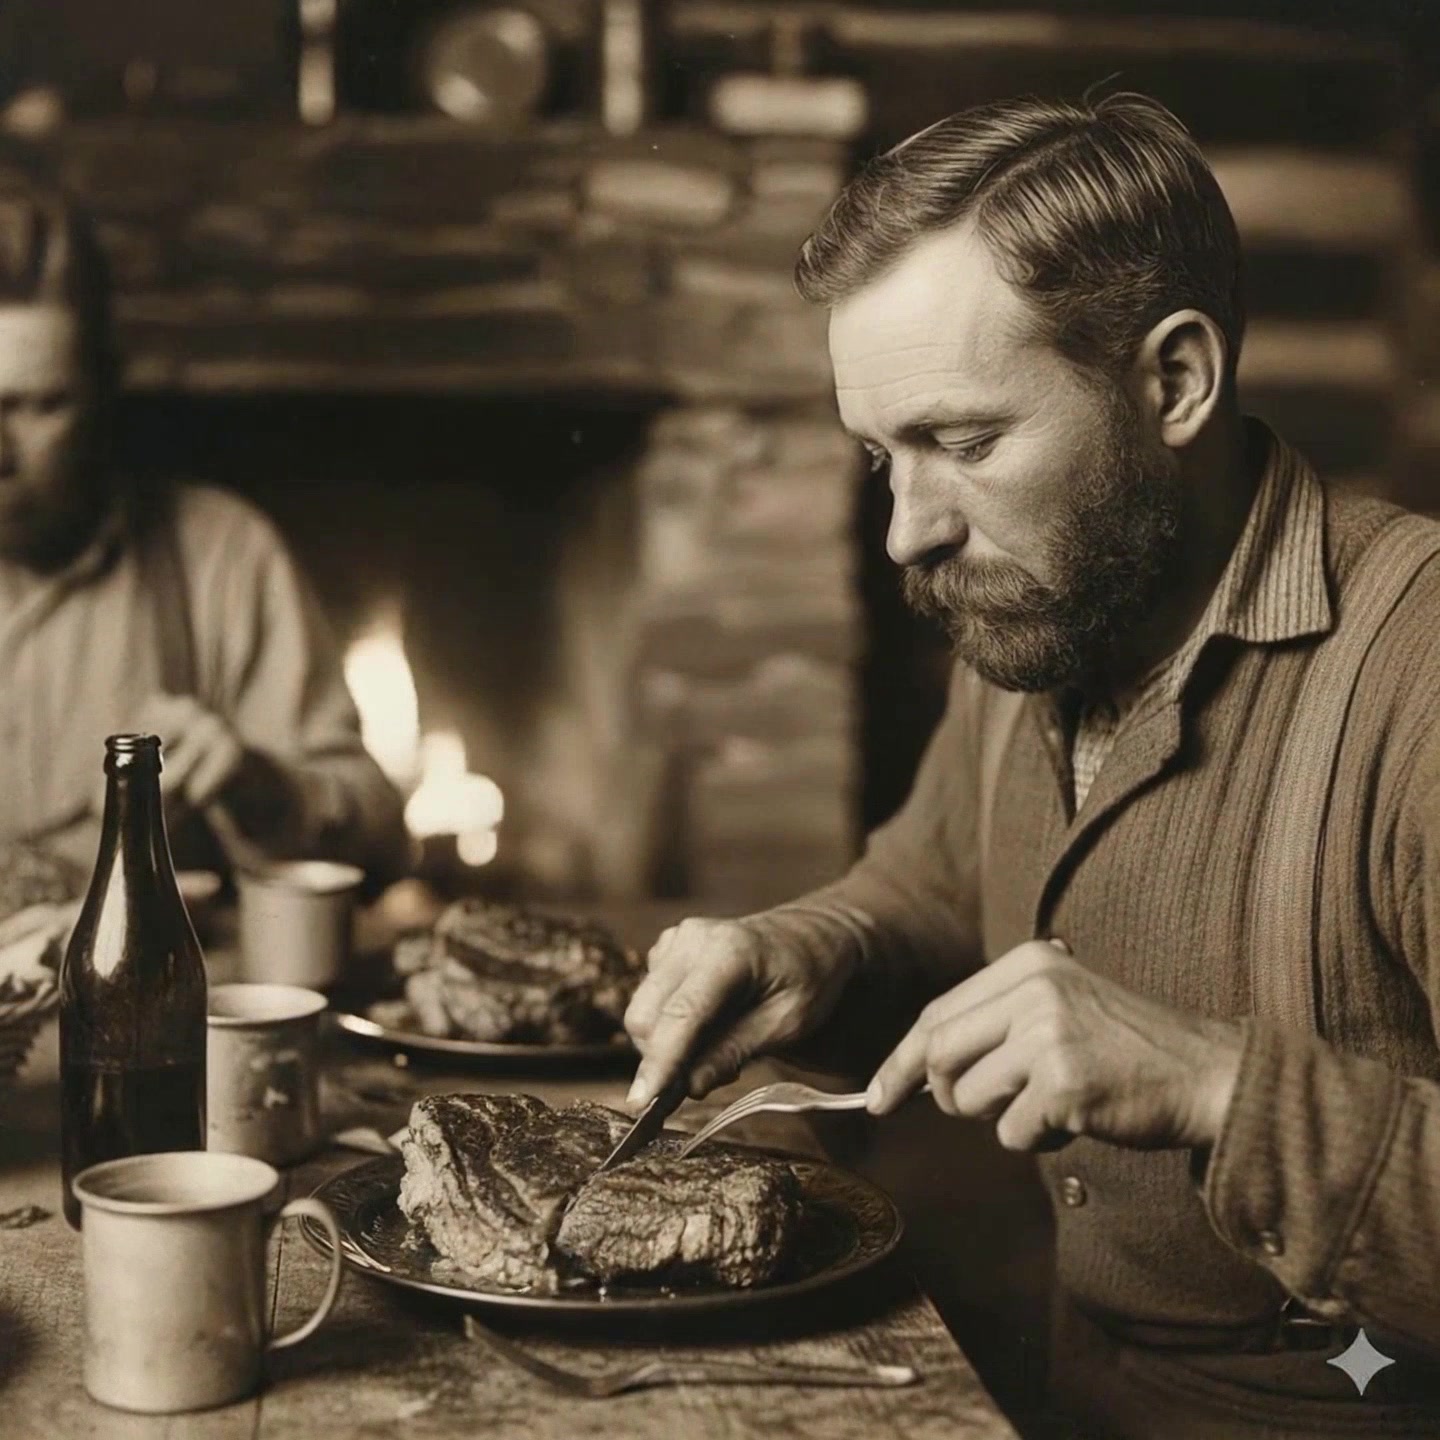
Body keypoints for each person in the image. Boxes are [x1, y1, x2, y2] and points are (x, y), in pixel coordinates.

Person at [622, 93, 1440, 1438]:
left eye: (964, 442)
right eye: (881, 456)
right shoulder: (1044, 604)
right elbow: (938, 878)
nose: (906, 533)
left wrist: (1215, 1086)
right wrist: (814, 943)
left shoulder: (1415, 671)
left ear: (1173, 382)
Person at [0, 152, 410, 886]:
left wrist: (264, 788)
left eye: (37, 406)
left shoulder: (219, 554)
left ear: (102, 394)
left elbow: (380, 838)